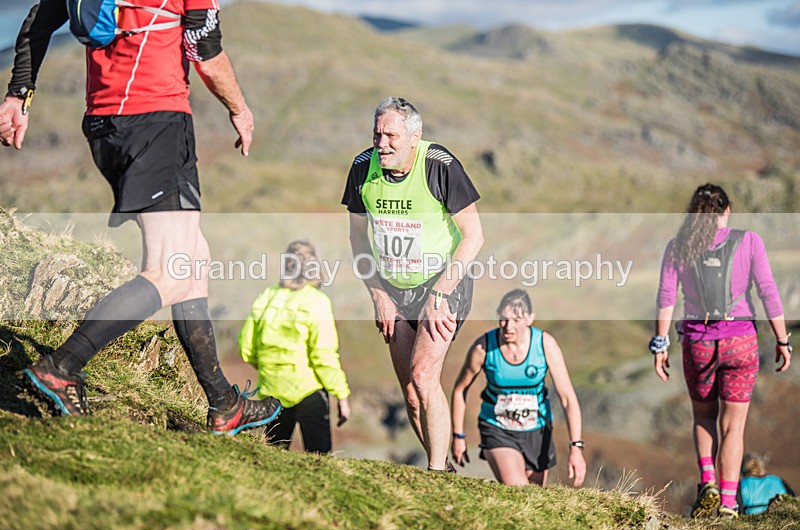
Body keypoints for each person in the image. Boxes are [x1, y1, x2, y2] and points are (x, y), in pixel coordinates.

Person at [2, 0, 282, 435]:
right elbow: (206, 54)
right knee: (170, 272)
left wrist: (19, 93)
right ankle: (63, 366)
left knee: (194, 258)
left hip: (105, 122)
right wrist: (240, 110)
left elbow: (39, 20)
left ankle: (223, 404)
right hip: (155, 121)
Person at [341, 97, 484, 471]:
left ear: (414, 137)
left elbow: (474, 236)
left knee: (423, 374)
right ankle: (445, 469)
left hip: (443, 283)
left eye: (391, 135)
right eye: (377, 134)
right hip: (393, 288)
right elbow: (358, 239)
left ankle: (436, 473)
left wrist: (441, 294)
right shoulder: (362, 169)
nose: (381, 143)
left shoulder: (439, 166)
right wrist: (378, 296)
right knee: (411, 391)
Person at [651, 183, 792, 519]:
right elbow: (768, 292)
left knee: (703, 416)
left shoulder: (678, 248)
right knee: (734, 427)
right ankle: (728, 504)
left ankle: (708, 481)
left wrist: (660, 346)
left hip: (698, 344)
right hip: (740, 342)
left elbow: (666, 298)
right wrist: (783, 340)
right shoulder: (749, 242)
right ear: (726, 210)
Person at [451, 289, 587, 487]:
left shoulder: (545, 345)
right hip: (497, 428)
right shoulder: (483, 347)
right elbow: (459, 390)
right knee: (518, 488)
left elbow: (568, 399)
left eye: (517, 319)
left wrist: (576, 447)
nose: (508, 326)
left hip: (537, 431)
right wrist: (458, 436)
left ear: (530, 319)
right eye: (503, 319)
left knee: (534, 496)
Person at [238, 240, 351, 453]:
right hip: (310, 390)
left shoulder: (268, 296)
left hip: (272, 389)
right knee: (319, 460)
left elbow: (246, 347)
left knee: (273, 454)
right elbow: (323, 355)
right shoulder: (317, 301)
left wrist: (270, 369)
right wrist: (342, 395)